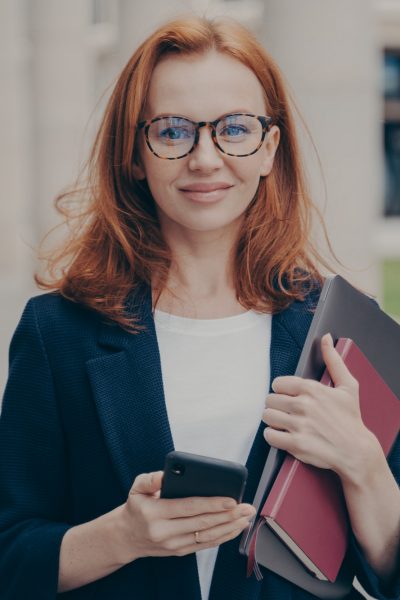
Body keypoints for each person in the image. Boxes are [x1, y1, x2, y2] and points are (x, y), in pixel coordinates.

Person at [0, 15, 399, 600]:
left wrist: (364, 465)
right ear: (135, 154)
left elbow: (386, 576)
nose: (205, 158)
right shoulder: (57, 332)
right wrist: (122, 537)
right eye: (172, 130)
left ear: (268, 149)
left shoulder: (342, 330)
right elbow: (11, 555)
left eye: (234, 128)